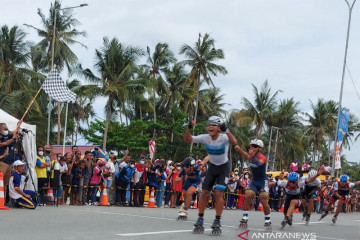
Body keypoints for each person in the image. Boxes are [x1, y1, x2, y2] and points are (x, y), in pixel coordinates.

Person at [184, 116, 238, 235]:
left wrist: (227, 130)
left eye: (213, 125)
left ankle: (217, 220)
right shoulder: (205, 138)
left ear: (219, 128)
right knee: (204, 193)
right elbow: (187, 139)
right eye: (209, 125)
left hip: (223, 168)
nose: (210, 127)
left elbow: (234, 143)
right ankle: (200, 218)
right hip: (212, 167)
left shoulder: (224, 137)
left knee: (218, 193)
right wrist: (189, 127)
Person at [235, 139, 272, 231]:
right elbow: (245, 155)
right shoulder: (250, 156)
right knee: (248, 196)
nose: (252, 148)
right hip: (254, 181)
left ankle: (267, 219)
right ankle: (245, 217)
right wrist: (239, 150)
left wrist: (253, 156)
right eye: (251, 146)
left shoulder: (263, 157)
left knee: (263, 199)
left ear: (259, 148)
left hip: (263, 181)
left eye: (255, 146)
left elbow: (259, 163)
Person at [0, 122, 21, 204]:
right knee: (0, 182)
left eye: (7, 128)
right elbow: (4, 143)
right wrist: (13, 138)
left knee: (5, 184)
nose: (6, 130)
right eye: (5, 128)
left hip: (9, 163)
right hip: (2, 162)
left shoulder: (7, 135)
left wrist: (18, 124)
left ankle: (3, 201)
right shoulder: (1, 137)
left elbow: (15, 132)